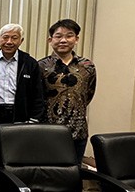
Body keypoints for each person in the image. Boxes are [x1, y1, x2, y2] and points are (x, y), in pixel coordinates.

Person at [0, 23, 45, 166]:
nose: (9, 42)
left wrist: (34, 119)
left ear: (21, 41)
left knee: (16, 155)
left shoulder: (29, 63)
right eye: (5, 37)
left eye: (14, 38)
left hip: (19, 114)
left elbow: (38, 94)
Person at [39, 19, 96, 162]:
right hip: (47, 130)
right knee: (48, 169)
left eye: (69, 36)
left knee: (74, 170)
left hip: (78, 129)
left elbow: (88, 94)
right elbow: (37, 97)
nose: (63, 40)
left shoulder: (87, 66)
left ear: (76, 39)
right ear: (50, 40)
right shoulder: (41, 66)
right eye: (58, 36)